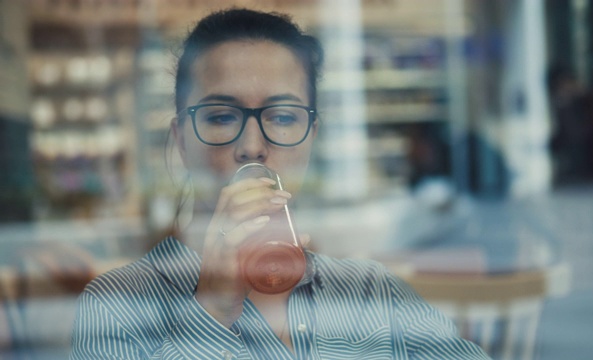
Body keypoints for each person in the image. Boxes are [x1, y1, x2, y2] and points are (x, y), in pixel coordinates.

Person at [70, 8, 489, 359]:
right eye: (220, 116)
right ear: (181, 140)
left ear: (312, 136)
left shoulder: (369, 291)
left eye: (284, 117)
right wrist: (211, 309)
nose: (252, 147)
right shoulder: (115, 305)